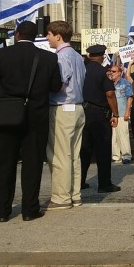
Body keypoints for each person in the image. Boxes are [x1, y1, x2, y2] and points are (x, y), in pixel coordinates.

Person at [0, 21, 62, 222]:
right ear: (36, 36)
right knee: (33, 164)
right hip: (35, 117)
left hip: (7, 116)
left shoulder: (1, 55)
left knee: (3, 164)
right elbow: (55, 86)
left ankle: (2, 211)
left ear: (17, 35)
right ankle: (29, 209)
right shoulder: (48, 58)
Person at [45, 20, 86, 210]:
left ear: (58, 36)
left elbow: (59, 83)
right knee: (73, 155)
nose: (47, 38)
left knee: (60, 155)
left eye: (49, 34)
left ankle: (61, 197)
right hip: (77, 107)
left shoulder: (61, 57)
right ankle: (74, 194)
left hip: (63, 106)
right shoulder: (78, 56)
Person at [80, 45, 120, 193]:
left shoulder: (82, 70)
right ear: (103, 56)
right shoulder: (103, 72)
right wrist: (115, 114)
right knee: (103, 149)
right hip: (98, 113)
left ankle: (80, 181)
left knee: (84, 149)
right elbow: (110, 94)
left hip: (82, 112)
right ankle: (104, 183)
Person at [109, 64, 134, 164]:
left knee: (123, 134)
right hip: (111, 113)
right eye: (111, 71)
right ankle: (116, 156)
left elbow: (130, 97)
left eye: (114, 71)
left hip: (122, 111)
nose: (111, 73)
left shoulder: (125, 83)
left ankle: (126, 155)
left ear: (120, 73)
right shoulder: (109, 83)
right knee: (114, 136)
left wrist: (127, 111)